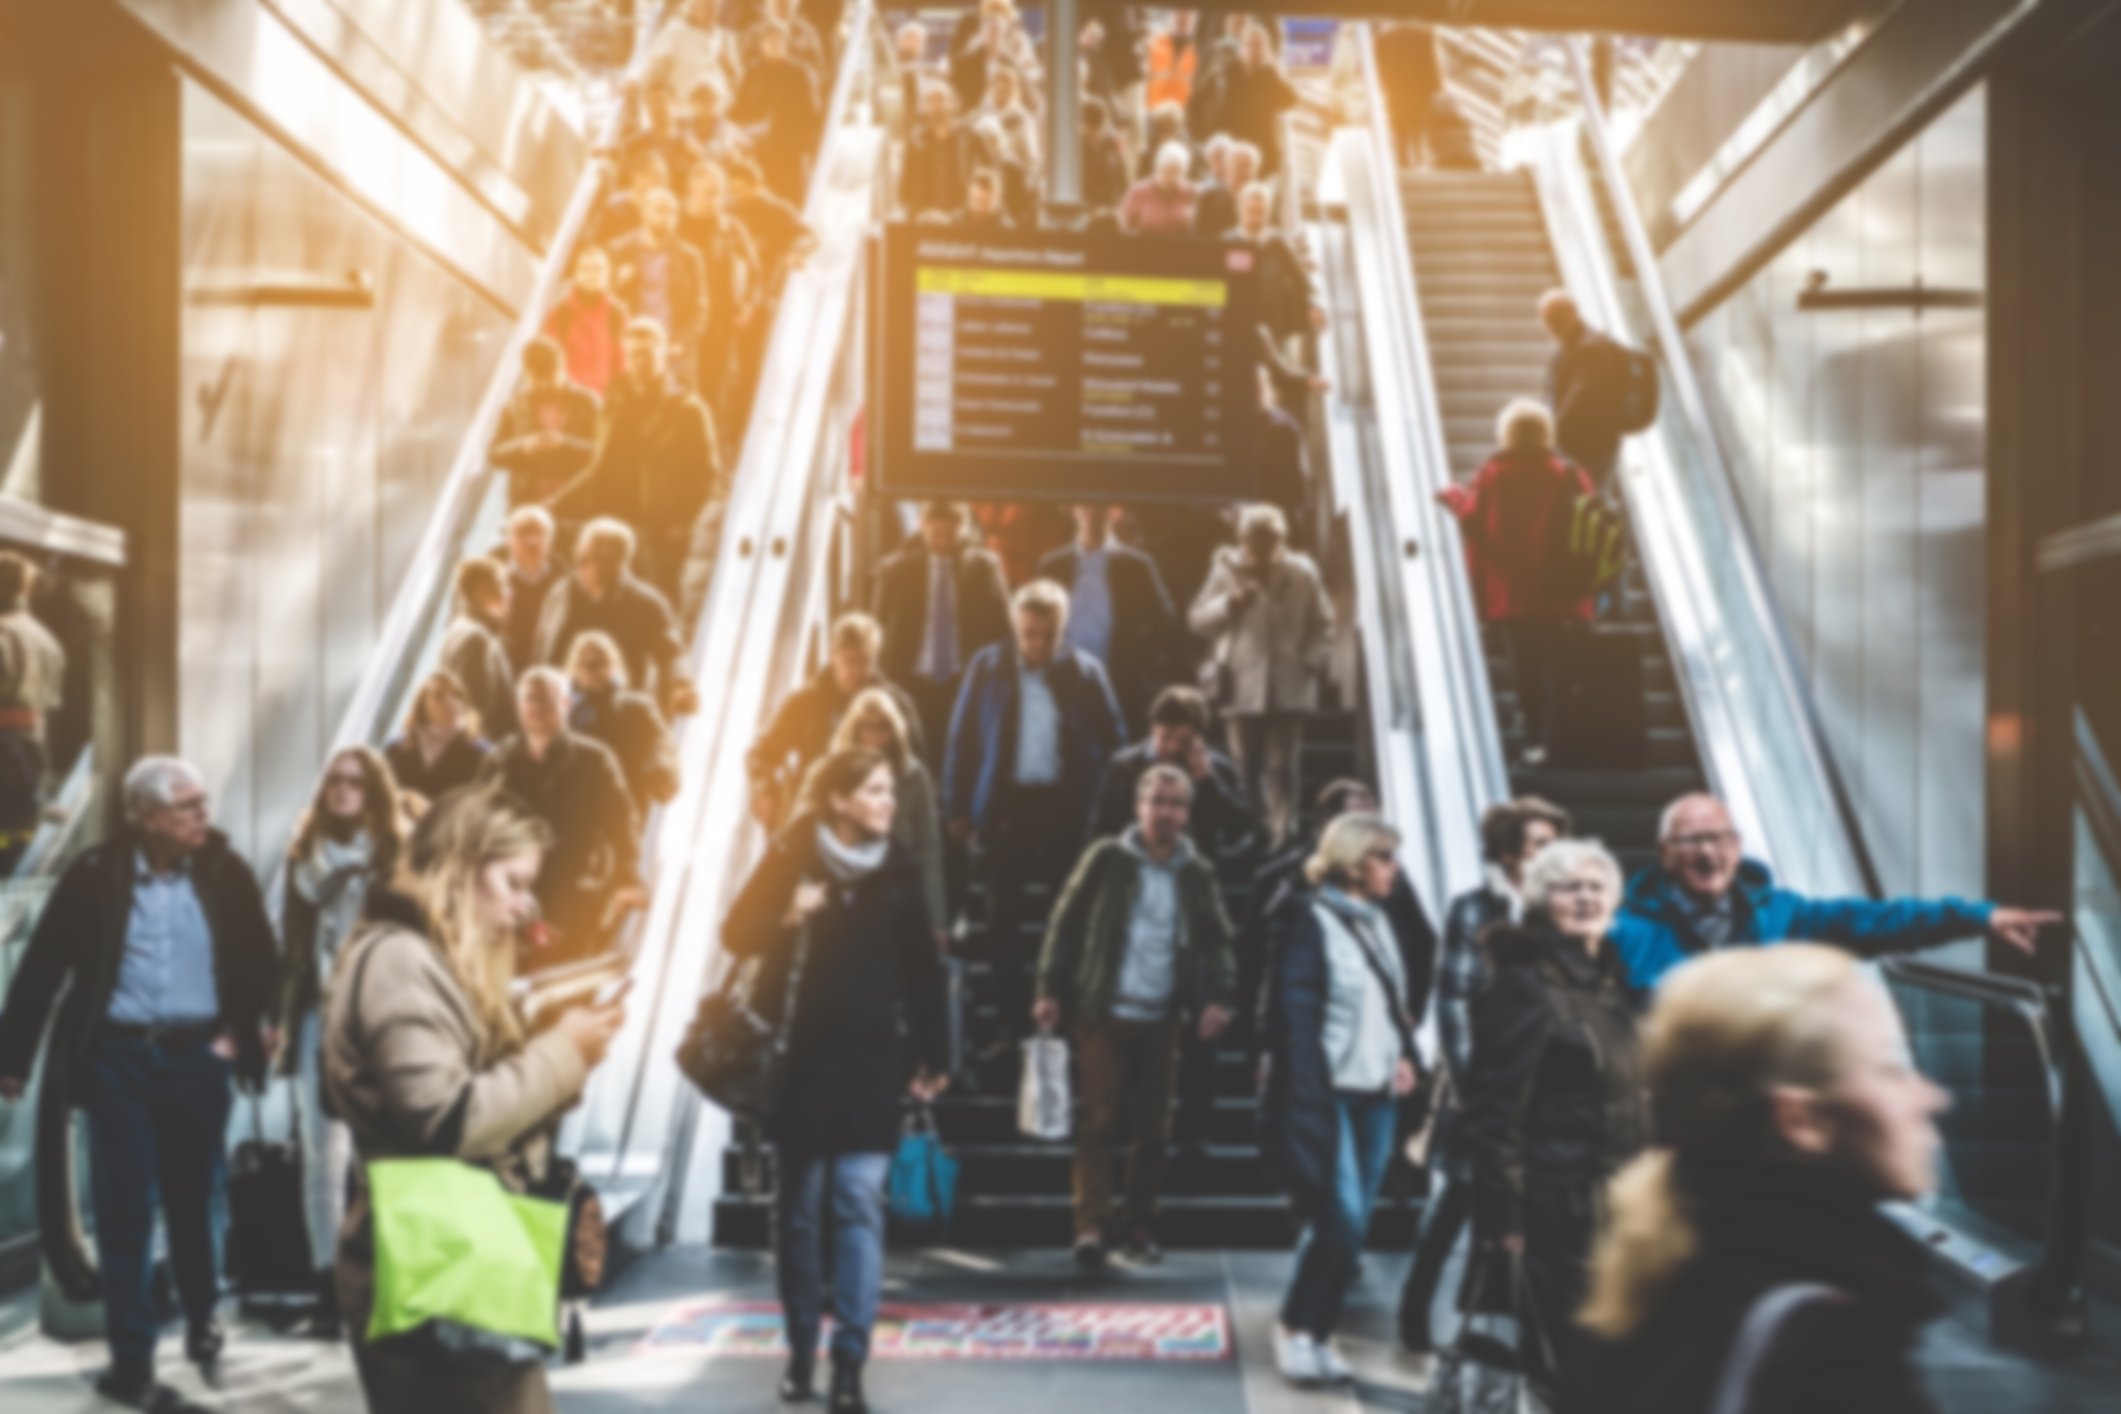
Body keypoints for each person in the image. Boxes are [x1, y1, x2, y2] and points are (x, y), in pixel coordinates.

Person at [324, 787, 627, 1413]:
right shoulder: (398, 961)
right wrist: (561, 1054)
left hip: (456, 1256)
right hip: (432, 1266)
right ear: (461, 865)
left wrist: (563, 1055)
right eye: (513, 883)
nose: (521, 908)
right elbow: (449, 1119)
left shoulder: (434, 959)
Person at [0, 757, 278, 1407]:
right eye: (187, 807)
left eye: (202, 802)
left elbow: (260, 957)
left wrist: (235, 1037)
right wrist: (11, 1056)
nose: (202, 816)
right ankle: (132, 1361)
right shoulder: (94, 876)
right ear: (147, 817)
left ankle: (203, 1312)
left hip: (196, 1058)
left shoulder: (222, 870)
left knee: (194, 1197)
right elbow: (43, 967)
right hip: (117, 1062)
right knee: (123, 1211)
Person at [1572, 946, 1953, 1414]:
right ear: (1801, 1120)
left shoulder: (1666, 1270)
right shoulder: (1831, 1353)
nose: (1931, 1097)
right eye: (1890, 1069)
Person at [722, 748, 949, 1414]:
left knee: (855, 1204)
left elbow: (922, 971)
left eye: (888, 790)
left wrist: (933, 1053)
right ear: (838, 801)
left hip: (872, 1058)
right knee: (798, 1211)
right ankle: (799, 1352)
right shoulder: (794, 850)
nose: (887, 800)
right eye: (874, 791)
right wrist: (788, 913)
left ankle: (848, 1362)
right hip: (800, 1059)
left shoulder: (900, 868)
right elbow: (734, 932)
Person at [1460, 838, 1647, 1400]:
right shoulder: (1525, 983)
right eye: (1570, 888)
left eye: (1596, 886)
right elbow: (1495, 1109)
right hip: (1560, 1201)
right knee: (1574, 1363)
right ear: (1543, 899)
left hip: (1621, 1196)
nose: (1586, 897)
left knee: (1612, 1355)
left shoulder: (1609, 980)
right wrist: (1505, 1214)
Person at [1034, 763, 1236, 1268]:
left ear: (1187, 814)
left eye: (1175, 804)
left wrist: (1218, 997)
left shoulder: (1198, 873)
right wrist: (1049, 987)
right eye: (1157, 801)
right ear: (1138, 806)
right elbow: (1066, 922)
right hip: (1104, 1009)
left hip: (1162, 1015)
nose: (1165, 812)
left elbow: (1217, 941)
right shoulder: (1107, 858)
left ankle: (1139, 1223)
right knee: (1097, 1122)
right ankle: (1092, 1226)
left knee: (1153, 1129)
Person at [1399, 796, 1571, 1357]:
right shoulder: (1475, 908)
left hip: (1543, 1083)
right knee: (1456, 1200)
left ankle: (1492, 1325)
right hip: (1482, 1085)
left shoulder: (1563, 908)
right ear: (1506, 853)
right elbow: (1451, 1003)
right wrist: (1476, 1090)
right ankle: (1414, 1307)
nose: (1554, 856)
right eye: (1540, 845)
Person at [1258, 813, 1422, 1386]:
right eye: (1385, 857)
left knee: (1351, 1227)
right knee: (1341, 1216)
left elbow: (1389, 999)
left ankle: (1318, 1335)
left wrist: (1402, 1055)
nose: (1394, 868)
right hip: (1326, 1094)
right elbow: (1295, 1015)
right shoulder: (1309, 919)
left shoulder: (1380, 919)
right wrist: (1305, 1094)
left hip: (1375, 1093)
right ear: (1354, 862)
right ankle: (1293, 1327)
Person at [1612, 792, 2059, 993]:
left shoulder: (1782, 916)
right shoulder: (1626, 932)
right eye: (1692, 841)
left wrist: (1979, 917)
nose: (1709, 853)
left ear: (1737, 846)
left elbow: (1877, 921)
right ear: (1665, 854)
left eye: (1719, 838)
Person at [945, 580, 1126, 1059]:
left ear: (1062, 630)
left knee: (1064, 918)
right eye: (1029, 634)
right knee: (1002, 920)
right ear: (1015, 628)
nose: (1038, 644)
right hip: (1005, 808)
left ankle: (1060, 1020)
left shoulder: (1086, 673)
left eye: (1047, 635)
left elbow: (1114, 743)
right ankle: (1009, 1025)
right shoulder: (987, 668)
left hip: (1065, 809)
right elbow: (962, 739)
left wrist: (1109, 812)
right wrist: (957, 806)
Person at [277, 745, 403, 1338]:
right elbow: (291, 949)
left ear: (374, 792)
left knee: (378, 1150)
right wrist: (278, 1017)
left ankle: (382, 1283)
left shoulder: (395, 859)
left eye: (355, 783)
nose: (344, 791)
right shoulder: (304, 860)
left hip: (376, 1014)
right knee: (319, 1154)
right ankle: (328, 1288)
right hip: (315, 1015)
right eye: (335, 782)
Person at [1437, 398, 1595, 767]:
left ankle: (1535, 740)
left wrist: (1451, 495)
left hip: (1513, 594)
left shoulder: (1495, 474)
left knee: (1527, 666)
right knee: (1562, 664)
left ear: (1506, 433)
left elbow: (1473, 517)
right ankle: (1569, 738)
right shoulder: (1569, 473)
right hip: (1564, 590)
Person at [1188, 503, 1333, 848]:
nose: (1261, 557)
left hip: (1288, 680)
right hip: (1241, 681)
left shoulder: (1303, 573)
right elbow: (1196, 620)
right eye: (1254, 548)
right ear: (1243, 543)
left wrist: (1309, 661)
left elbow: (1323, 622)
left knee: (1284, 764)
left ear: (1280, 542)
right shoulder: (1225, 571)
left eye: (1269, 548)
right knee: (1244, 765)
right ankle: (1253, 829)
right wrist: (1230, 605)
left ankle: (1285, 832)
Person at [480, 668, 644, 964]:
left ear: (567, 704)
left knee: (552, 976)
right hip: (509, 895)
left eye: (547, 699)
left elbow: (622, 823)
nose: (538, 707)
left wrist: (628, 877)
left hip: (570, 896)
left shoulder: (595, 760)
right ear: (519, 706)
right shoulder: (498, 761)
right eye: (530, 699)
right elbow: (475, 823)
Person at [561, 319, 723, 604]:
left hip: (660, 530)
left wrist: (681, 523)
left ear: (664, 353)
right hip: (612, 519)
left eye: (647, 353)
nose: (640, 361)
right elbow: (598, 465)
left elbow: (707, 474)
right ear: (624, 355)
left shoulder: (687, 409)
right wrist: (553, 505)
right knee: (607, 601)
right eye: (634, 353)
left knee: (661, 600)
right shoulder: (614, 399)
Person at [748, 611, 924, 821]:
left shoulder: (896, 706)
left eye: (864, 662)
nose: (857, 671)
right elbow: (761, 755)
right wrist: (766, 792)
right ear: (832, 655)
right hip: (814, 817)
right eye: (849, 661)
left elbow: (917, 767)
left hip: (875, 821)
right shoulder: (806, 703)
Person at [872, 500, 1012, 757]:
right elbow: (877, 628)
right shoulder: (896, 570)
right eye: (937, 533)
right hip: (910, 682)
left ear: (964, 531)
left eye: (951, 534)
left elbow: (1002, 627)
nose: (944, 542)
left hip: (964, 683)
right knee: (912, 753)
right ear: (923, 527)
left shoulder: (984, 568)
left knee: (961, 753)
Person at [820, 687, 948, 948]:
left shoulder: (914, 777)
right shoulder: (829, 772)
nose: (875, 737)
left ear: (895, 731)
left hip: (892, 892)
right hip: (840, 889)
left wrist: (936, 920)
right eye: (867, 728)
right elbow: (807, 834)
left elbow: (928, 851)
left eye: (883, 728)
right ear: (855, 729)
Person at [1037, 504, 1180, 735]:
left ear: (1114, 511)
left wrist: (1137, 658)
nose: (1092, 513)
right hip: (1063, 679)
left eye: (1099, 507)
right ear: (1074, 509)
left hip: (1120, 681)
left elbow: (1165, 622)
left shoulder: (1137, 565)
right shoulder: (1052, 565)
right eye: (1086, 506)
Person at [539, 520, 695, 717]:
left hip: (620, 715)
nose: (579, 567)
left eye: (586, 559)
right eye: (578, 558)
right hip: (565, 710)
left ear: (613, 563)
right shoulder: (562, 595)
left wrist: (681, 685)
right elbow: (542, 649)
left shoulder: (645, 603)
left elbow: (671, 651)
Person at [1091, 685, 1252, 858]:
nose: (1173, 746)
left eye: (1184, 740)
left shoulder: (1218, 768)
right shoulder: (1124, 766)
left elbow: (1240, 828)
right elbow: (1100, 830)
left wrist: (1207, 781)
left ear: (1198, 737)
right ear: (1153, 728)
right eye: (1166, 736)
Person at [678, 159, 763, 422]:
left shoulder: (732, 230)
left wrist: (749, 306)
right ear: (691, 190)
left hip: (720, 327)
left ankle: (709, 449)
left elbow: (756, 273)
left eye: (719, 194)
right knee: (680, 391)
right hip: (681, 325)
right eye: (708, 193)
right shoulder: (674, 225)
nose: (714, 200)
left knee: (714, 393)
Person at [0, 551, 65, 871]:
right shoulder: (46, 638)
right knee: (14, 840)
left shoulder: (4, 632)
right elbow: (51, 704)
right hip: (34, 749)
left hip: (5, 749)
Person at [611, 188, 711, 393]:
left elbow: (701, 308)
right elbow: (605, 301)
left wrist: (681, 343)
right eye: (660, 210)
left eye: (672, 212)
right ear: (644, 212)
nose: (666, 218)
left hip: (673, 351)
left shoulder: (690, 257)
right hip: (630, 348)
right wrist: (619, 284)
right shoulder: (619, 250)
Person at [567, 629, 681, 810]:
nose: (596, 671)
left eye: (602, 663)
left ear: (614, 666)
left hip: (623, 804)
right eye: (588, 665)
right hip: (573, 805)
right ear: (575, 670)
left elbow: (660, 741)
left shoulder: (637, 706)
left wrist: (663, 770)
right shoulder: (565, 711)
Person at [488, 336, 600, 513]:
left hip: (575, 500)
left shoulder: (587, 402)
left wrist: (565, 443)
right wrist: (523, 446)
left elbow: (604, 452)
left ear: (562, 368)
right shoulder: (516, 404)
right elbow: (494, 454)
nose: (544, 384)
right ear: (528, 373)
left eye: (549, 376)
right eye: (537, 378)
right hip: (527, 501)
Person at [1539, 289, 1635, 492]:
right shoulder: (1568, 348)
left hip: (1592, 446)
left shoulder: (1591, 347)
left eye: (1557, 318)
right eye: (1548, 320)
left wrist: (1553, 430)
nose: (1552, 326)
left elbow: (1580, 397)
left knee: (1586, 500)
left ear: (1573, 313)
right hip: (1585, 444)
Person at [732, 21, 823, 205]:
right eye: (769, 40)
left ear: (786, 43)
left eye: (778, 40)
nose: (773, 45)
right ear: (761, 44)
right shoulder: (752, 72)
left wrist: (803, 145)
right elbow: (739, 109)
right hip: (757, 151)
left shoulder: (800, 73)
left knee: (791, 199)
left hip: (790, 151)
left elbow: (812, 113)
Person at [384, 669, 493, 813]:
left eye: (456, 695)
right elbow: (384, 805)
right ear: (422, 704)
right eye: (439, 695)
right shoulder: (396, 749)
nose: (450, 702)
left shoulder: (482, 753)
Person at [440, 554, 518, 748]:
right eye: (504, 585)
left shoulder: (458, 628)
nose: (510, 593)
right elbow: (476, 709)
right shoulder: (478, 639)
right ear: (483, 593)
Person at [542, 243, 632, 396]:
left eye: (598, 269)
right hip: (566, 400)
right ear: (576, 274)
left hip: (603, 400)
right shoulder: (560, 312)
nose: (592, 274)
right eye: (586, 269)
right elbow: (549, 362)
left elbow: (622, 363)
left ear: (608, 275)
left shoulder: (617, 314)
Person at [1217, 21, 1301, 178]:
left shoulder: (1268, 75)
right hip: (1233, 148)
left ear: (1265, 49)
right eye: (1250, 45)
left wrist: (1273, 69)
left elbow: (1290, 100)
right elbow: (1218, 108)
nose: (1253, 50)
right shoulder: (1230, 72)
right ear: (1242, 47)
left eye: (1258, 45)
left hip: (1264, 151)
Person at [501, 505, 568, 675]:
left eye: (539, 534)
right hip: (505, 670)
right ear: (509, 539)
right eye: (523, 533)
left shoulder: (567, 581)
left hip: (553, 672)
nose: (532, 541)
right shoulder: (491, 579)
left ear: (551, 539)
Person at [901, 82, 981, 219]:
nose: (936, 105)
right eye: (930, 100)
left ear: (953, 103)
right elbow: (905, 183)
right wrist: (914, 209)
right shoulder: (916, 140)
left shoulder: (969, 137)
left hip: (962, 217)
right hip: (924, 216)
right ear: (924, 107)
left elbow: (987, 170)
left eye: (941, 98)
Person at [646, 0, 743, 108]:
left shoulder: (725, 37)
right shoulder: (674, 32)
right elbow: (653, 73)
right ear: (693, 8)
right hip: (684, 111)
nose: (711, 11)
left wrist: (728, 66)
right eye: (706, 6)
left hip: (719, 113)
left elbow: (738, 79)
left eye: (714, 7)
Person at [622, 81, 706, 204]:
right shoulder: (634, 147)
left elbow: (702, 188)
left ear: (675, 105)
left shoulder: (691, 148)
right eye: (651, 103)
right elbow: (624, 185)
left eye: (662, 101)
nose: (657, 108)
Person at [1375, 21, 1445, 167]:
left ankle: (1403, 163)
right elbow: (1432, 65)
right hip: (1418, 96)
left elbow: (1378, 67)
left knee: (1400, 132)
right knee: (1417, 131)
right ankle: (1419, 160)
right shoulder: (1424, 32)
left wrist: (1383, 90)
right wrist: (1437, 89)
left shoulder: (1385, 35)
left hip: (1396, 96)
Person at [1119, 139, 1200, 236]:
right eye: (1167, 171)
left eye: (1177, 172)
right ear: (1157, 168)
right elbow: (1123, 225)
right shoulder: (1138, 191)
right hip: (1145, 247)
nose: (1171, 177)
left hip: (1181, 248)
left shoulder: (1191, 191)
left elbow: (1201, 226)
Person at [1194, 137, 1256, 239]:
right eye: (1239, 167)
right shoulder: (1208, 200)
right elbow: (1199, 241)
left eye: (1249, 168)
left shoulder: (1260, 204)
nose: (1244, 173)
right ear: (1226, 170)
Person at [1080, 95, 1132, 212]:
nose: (1096, 134)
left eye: (1098, 129)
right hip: (1084, 204)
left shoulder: (1113, 142)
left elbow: (1122, 175)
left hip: (1108, 205)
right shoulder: (1074, 146)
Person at [955, 165, 1013, 231]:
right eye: (977, 201)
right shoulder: (954, 224)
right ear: (968, 197)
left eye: (985, 203)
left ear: (998, 201)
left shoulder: (1009, 230)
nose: (980, 208)